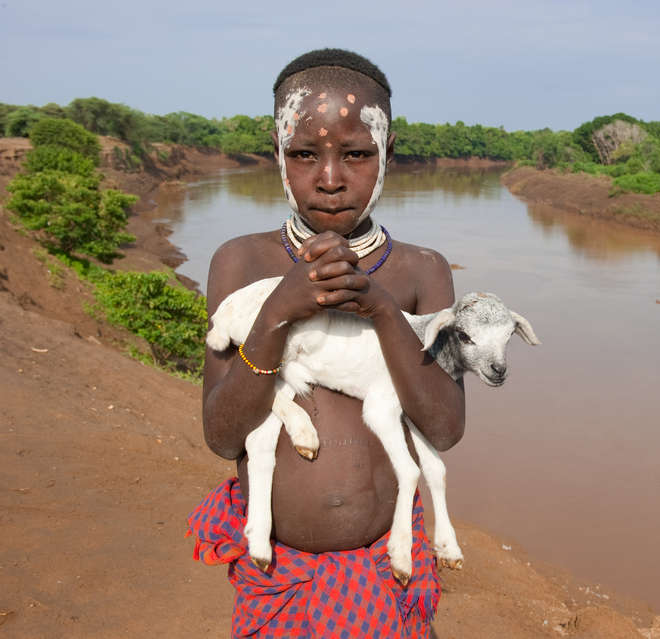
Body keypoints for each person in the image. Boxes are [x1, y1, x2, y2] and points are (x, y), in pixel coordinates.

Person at [187, 48, 465, 638]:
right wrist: (278, 310)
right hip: (278, 572)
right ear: (278, 155)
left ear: (388, 155)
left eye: (358, 154)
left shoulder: (421, 272)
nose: (331, 179)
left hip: (386, 565)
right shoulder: (241, 261)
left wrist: (382, 308)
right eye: (305, 154)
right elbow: (221, 435)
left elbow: (444, 428)